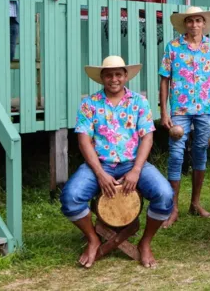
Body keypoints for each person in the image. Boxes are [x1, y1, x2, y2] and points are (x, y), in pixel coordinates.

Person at [60, 56, 173, 269]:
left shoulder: (139, 102)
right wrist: (100, 174)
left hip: (132, 162)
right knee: (70, 198)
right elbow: (83, 140)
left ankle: (145, 243)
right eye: (109, 74)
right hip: (99, 164)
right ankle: (93, 239)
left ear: (126, 76)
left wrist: (137, 170)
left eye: (118, 74)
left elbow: (147, 137)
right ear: (102, 77)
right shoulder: (89, 104)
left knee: (165, 196)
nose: (114, 79)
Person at [158, 6, 210, 225]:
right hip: (180, 111)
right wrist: (163, 110)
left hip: (206, 110)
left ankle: (195, 203)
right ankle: (173, 207)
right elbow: (164, 80)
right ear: (185, 24)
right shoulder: (173, 47)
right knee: (176, 155)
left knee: (200, 153)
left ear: (204, 24)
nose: (194, 25)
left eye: (198, 21)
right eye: (190, 21)